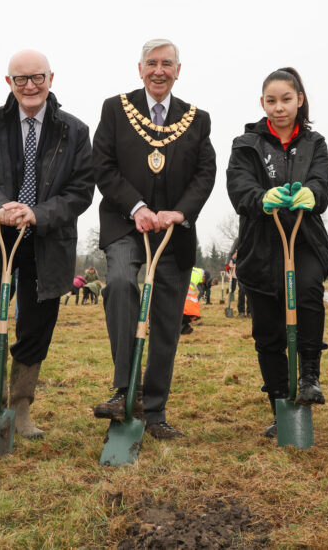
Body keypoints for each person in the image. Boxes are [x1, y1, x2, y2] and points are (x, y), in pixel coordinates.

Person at [0, 49, 94, 439]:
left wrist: (40, 213)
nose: (30, 86)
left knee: (38, 317)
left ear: (52, 78)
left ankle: (20, 406)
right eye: (21, 79)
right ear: (8, 83)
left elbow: (82, 189)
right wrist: (1, 208)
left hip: (48, 237)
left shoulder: (74, 130)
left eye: (38, 78)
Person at [91, 38, 216, 440]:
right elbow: (103, 167)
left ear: (178, 70)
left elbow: (204, 173)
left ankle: (155, 411)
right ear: (139, 68)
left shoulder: (196, 118)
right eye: (151, 63)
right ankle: (125, 388)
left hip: (175, 229)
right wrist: (138, 207)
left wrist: (180, 212)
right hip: (127, 222)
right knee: (123, 284)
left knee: (166, 317)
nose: (159, 70)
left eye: (167, 63)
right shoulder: (116, 108)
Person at [226, 67, 328, 437]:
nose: (279, 107)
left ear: (299, 100)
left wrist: (313, 195)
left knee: (307, 292)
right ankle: (279, 405)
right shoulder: (245, 144)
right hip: (261, 244)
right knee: (268, 331)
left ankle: (309, 377)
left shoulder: (314, 142)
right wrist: (261, 198)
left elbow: (323, 183)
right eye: (271, 101)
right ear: (262, 103)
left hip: (303, 238)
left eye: (286, 99)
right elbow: (239, 188)